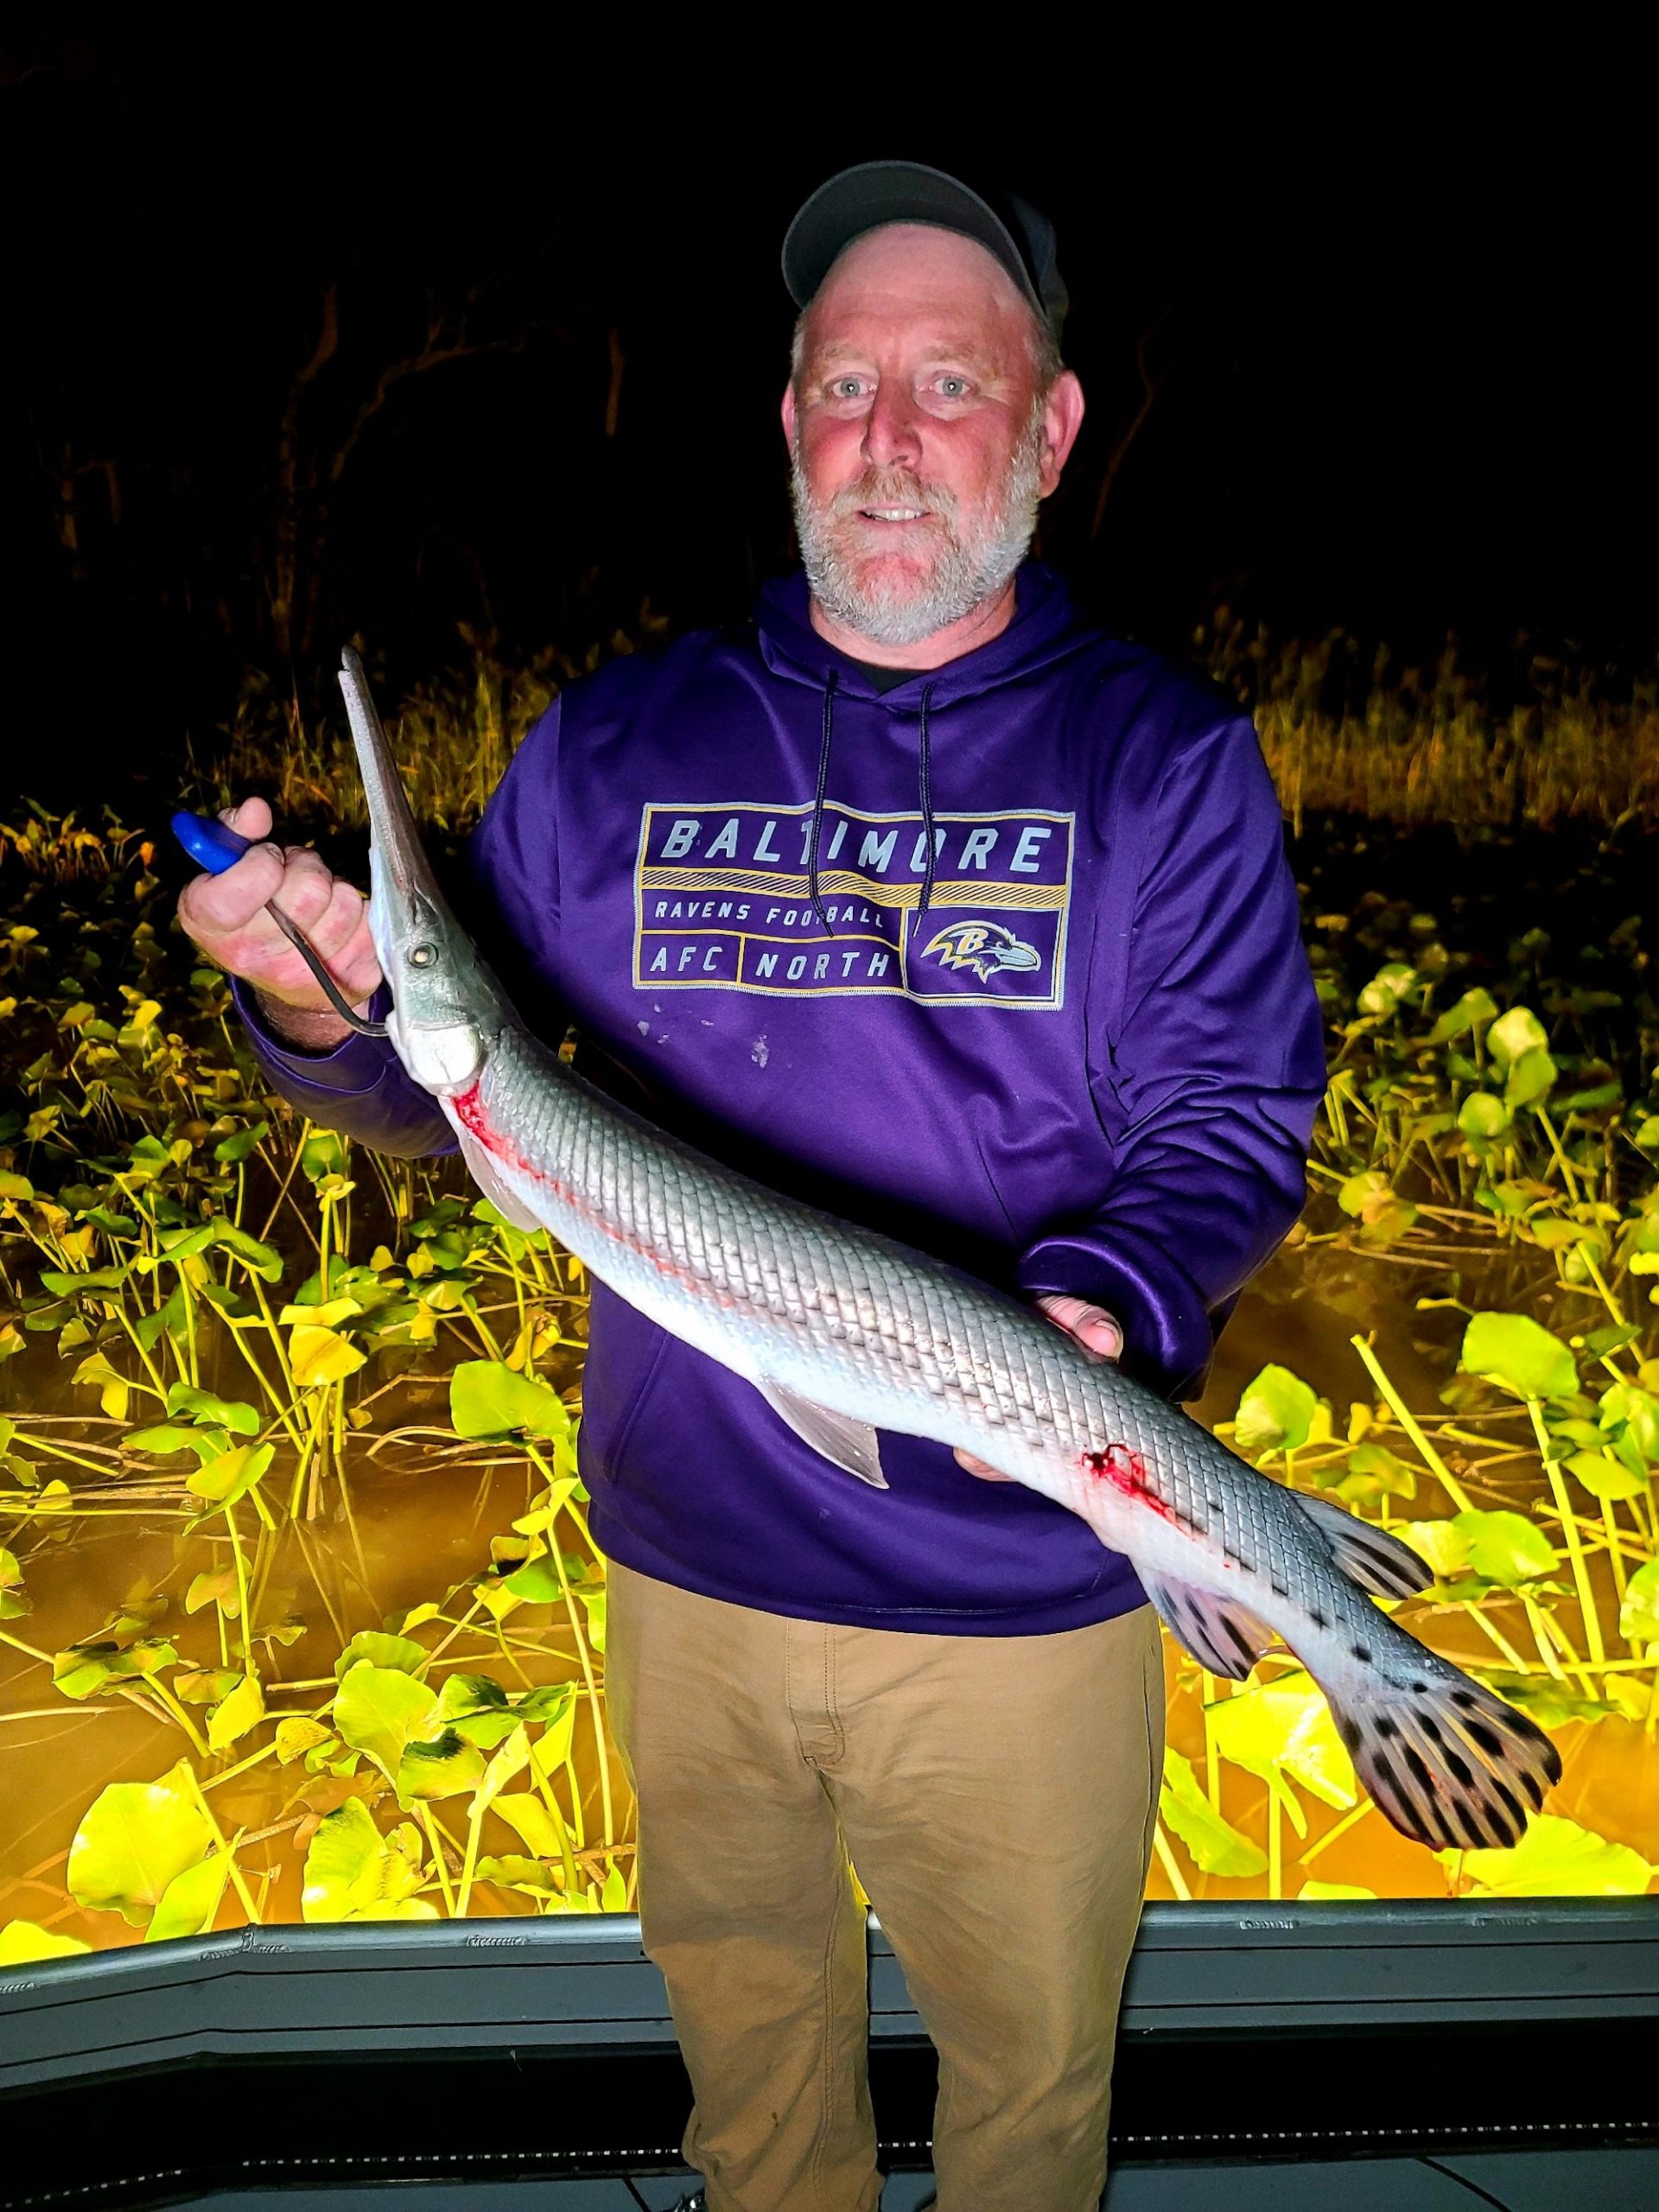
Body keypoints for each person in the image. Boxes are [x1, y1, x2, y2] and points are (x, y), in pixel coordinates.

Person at [178, 161, 1325, 2212]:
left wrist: (1118, 1289)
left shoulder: (1164, 759)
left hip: (1018, 1594)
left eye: (950, 386)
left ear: (1050, 428)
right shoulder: (618, 737)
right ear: (791, 416)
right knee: (757, 2108)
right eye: (844, 384)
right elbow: (466, 1088)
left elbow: (1232, 1123)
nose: (888, 440)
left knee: (1027, 2114)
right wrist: (317, 994)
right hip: (689, 1585)